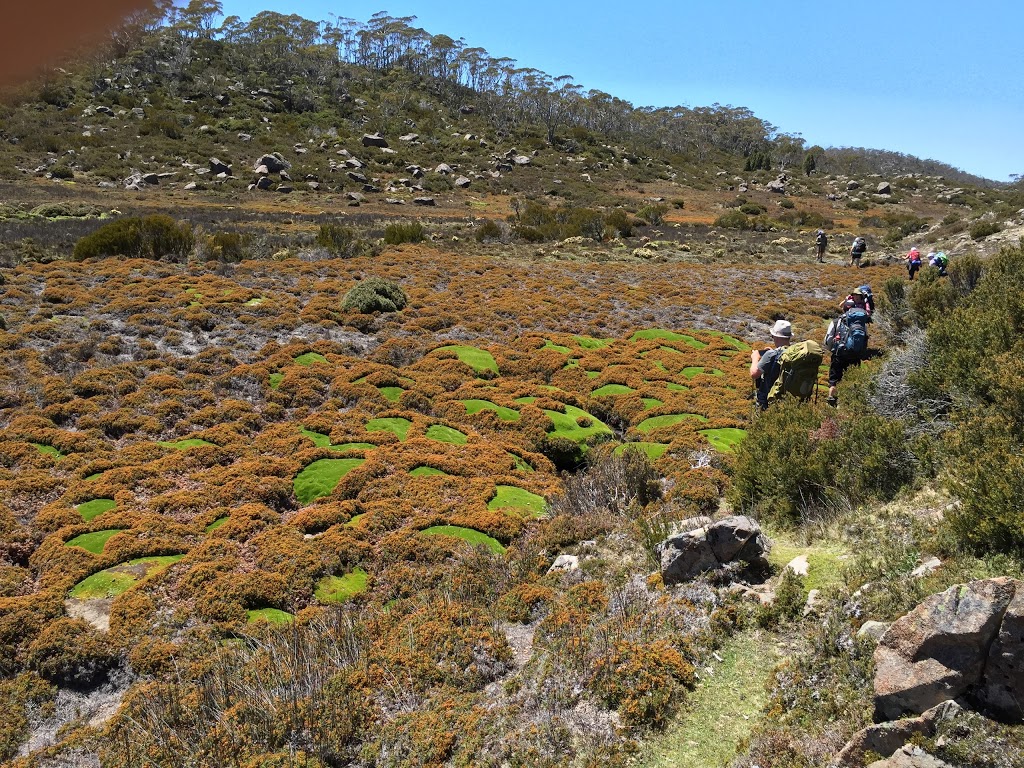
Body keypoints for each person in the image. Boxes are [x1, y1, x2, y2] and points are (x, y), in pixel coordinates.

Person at [824, 305, 871, 406]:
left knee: (834, 380)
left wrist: (832, 350)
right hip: (855, 356)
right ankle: (848, 404)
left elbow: (828, 340)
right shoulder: (861, 324)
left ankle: (831, 401)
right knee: (852, 379)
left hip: (839, 356)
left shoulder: (836, 322)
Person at [750, 319, 792, 410]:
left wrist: (755, 358)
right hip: (789, 400)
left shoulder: (772, 354)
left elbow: (754, 374)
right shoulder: (793, 353)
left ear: (776, 337)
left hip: (769, 399)